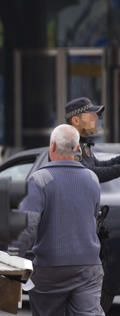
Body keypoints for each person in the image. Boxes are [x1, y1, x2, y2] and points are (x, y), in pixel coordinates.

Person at [15, 124, 104, 316]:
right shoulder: (92, 178)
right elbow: (93, 220)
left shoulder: (40, 180)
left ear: (52, 147)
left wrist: (14, 257)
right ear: (77, 149)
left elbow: (27, 226)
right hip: (88, 266)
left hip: (50, 269)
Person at [65, 96, 120, 183]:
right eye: (91, 116)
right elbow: (89, 173)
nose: (97, 119)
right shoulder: (68, 144)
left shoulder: (82, 142)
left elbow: (98, 165)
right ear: (76, 121)